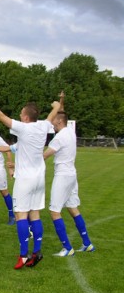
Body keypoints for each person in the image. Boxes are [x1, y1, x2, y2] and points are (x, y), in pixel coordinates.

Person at [0, 93, 61, 269]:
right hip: (39, 179)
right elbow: (53, 114)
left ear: (26, 117)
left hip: (25, 179)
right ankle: (36, 252)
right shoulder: (44, 126)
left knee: (21, 215)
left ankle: (23, 256)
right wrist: (57, 105)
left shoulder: (24, 128)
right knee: (34, 214)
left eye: (21, 114)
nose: (20, 116)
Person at [43, 92, 95, 256]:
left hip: (63, 176)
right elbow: (62, 113)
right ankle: (87, 244)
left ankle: (67, 248)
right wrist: (61, 101)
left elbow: (44, 156)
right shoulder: (70, 132)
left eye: (53, 120)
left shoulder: (58, 138)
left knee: (54, 211)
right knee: (73, 209)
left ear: (59, 121)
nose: (51, 121)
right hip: (72, 175)